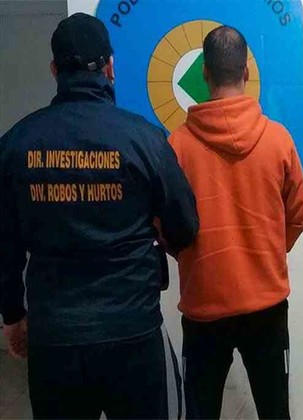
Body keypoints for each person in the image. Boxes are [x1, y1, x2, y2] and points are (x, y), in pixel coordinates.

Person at [0, 13, 199, 419]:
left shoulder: (16, 145)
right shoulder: (145, 139)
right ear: (110, 66)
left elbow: (4, 245)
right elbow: (185, 226)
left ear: (55, 70)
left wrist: (13, 316)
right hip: (133, 330)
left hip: (55, 336)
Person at [168, 26, 303, 419]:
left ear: (205, 74)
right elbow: (300, 214)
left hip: (203, 306)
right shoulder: (278, 140)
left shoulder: (177, 146)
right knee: (275, 412)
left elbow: (164, 226)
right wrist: (267, 251)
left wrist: (191, 256)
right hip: (266, 305)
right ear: (246, 71)